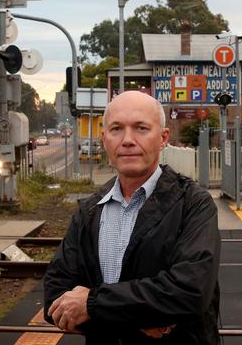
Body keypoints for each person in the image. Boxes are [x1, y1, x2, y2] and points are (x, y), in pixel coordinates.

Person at [44, 91, 221, 344]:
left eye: (141, 128)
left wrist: (91, 305)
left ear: (163, 138)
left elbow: (190, 291)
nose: (127, 140)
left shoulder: (194, 204)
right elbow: (55, 296)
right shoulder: (90, 211)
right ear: (104, 139)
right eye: (116, 129)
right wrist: (140, 318)